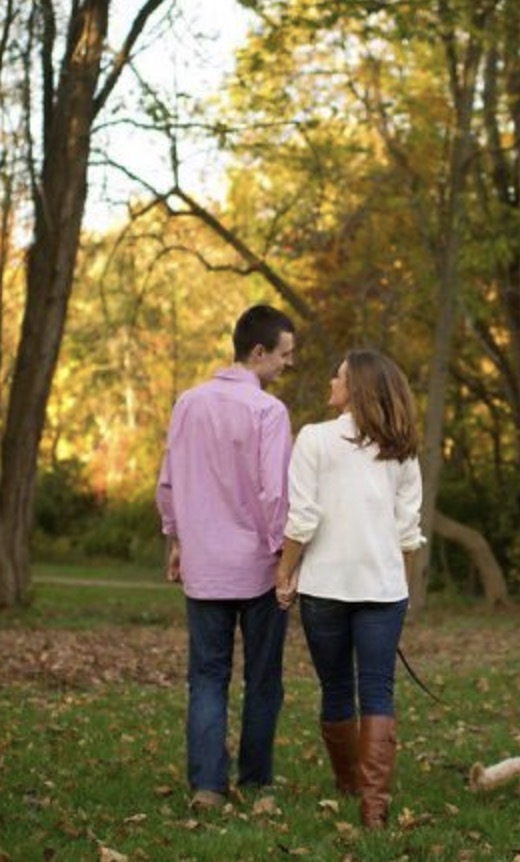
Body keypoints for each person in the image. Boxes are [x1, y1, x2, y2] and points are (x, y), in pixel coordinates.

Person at [155, 303, 297, 811]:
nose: (288, 364)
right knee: (263, 678)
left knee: (207, 677)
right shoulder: (269, 412)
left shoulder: (188, 403)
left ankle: (208, 787)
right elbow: (275, 494)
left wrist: (177, 539)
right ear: (258, 351)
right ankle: (255, 782)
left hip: (205, 566)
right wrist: (285, 558)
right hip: (259, 567)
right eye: (284, 355)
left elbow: (169, 482)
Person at [275, 349, 425, 829]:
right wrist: (400, 585)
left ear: (356, 388)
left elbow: (302, 518)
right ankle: (374, 807)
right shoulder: (401, 447)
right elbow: (408, 532)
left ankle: (349, 785)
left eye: (338, 377)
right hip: (383, 590)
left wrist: (284, 573)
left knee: (337, 686)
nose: (331, 382)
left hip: (325, 587)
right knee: (378, 689)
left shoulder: (314, 439)